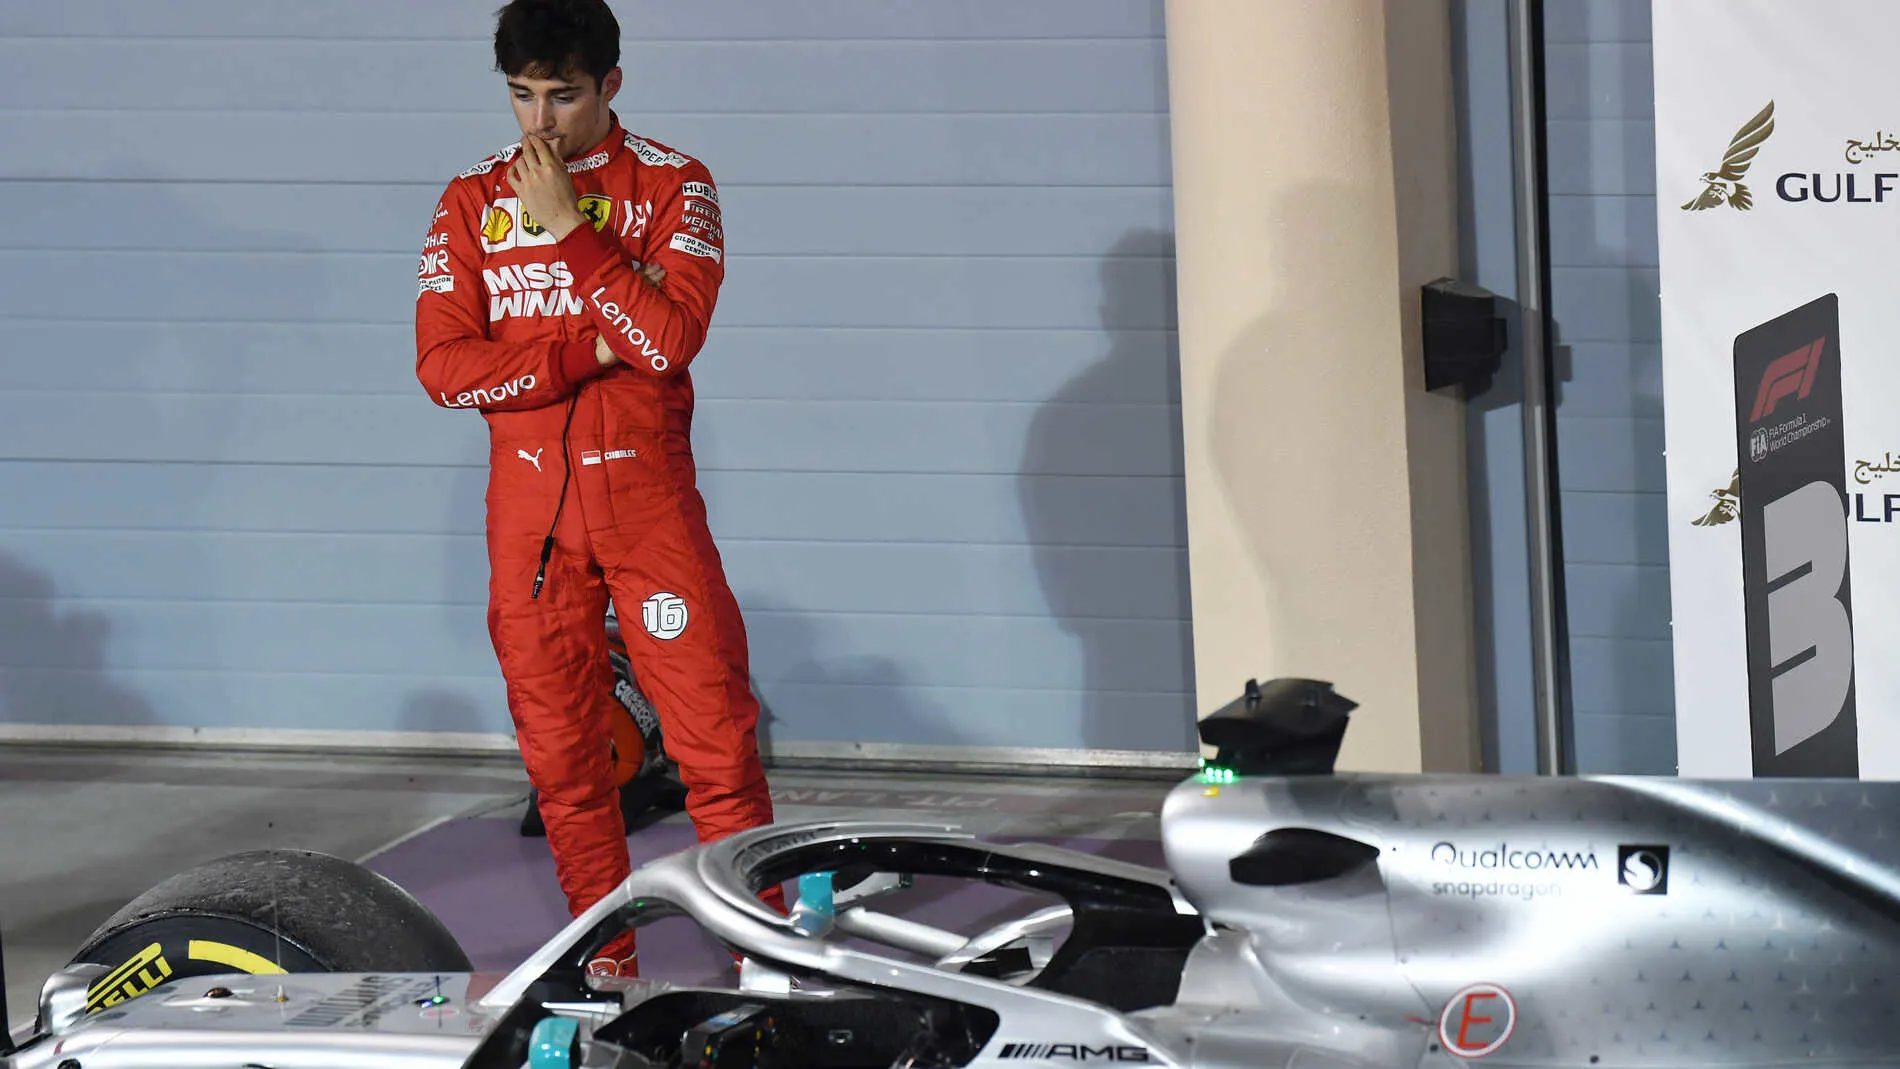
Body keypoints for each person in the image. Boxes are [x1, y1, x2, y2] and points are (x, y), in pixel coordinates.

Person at [412, 0, 779, 977]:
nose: (541, 121)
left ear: (609, 85)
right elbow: (442, 369)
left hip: (647, 512)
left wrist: (572, 231)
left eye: (563, 95)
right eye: (523, 94)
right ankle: (606, 964)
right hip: (527, 527)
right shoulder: (467, 198)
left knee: (717, 752)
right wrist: (579, 351)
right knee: (567, 768)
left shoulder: (673, 183)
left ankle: (770, 961)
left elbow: (663, 342)